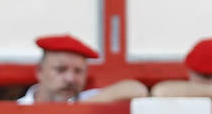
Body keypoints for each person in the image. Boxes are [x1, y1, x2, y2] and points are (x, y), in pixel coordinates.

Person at [17, 34, 147, 104]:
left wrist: (78, 108)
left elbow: (136, 90)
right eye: (60, 69)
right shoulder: (16, 109)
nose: (70, 78)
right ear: (40, 71)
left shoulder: (88, 100)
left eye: (78, 71)